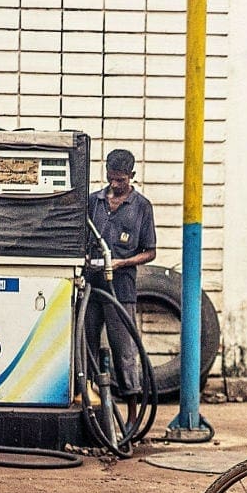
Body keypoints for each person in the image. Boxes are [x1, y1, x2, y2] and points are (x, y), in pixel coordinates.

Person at [84, 149, 157, 424]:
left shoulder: (142, 207)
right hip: (91, 289)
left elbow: (150, 252)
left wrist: (121, 263)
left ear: (132, 176)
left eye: (121, 180)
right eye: (111, 179)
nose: (115, 185)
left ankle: (132, 417)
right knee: (86, 347)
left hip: (121, 290)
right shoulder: (93, 202)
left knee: (124, 351)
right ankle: (91, 411)